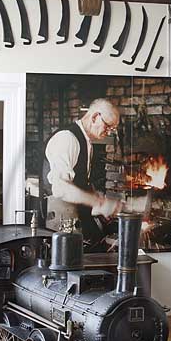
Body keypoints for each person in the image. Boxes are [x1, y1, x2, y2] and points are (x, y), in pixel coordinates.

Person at [42, 98, 122, 243]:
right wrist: (99, 203)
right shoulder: (66, 139)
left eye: (113, 129)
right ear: (95, 117)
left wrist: (97, 198)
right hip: (60, 224)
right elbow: (61, 188)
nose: (110, 132)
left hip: (77, 218)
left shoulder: (87, 142)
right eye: (108, 126)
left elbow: (79, 181)